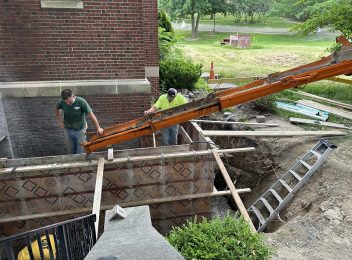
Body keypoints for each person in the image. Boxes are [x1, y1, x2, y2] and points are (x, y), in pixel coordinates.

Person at [55, 89, 103, 154]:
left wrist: (98, 128)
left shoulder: (81, 102)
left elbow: (91, 115)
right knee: (71, 150)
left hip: (80, 131)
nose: (68, 103)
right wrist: (59, 121)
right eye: (66, 102)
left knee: (80, 151)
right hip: (68, 130)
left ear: (73, 96)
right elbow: (56, 109)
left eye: (69, 101)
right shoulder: (61, 101)